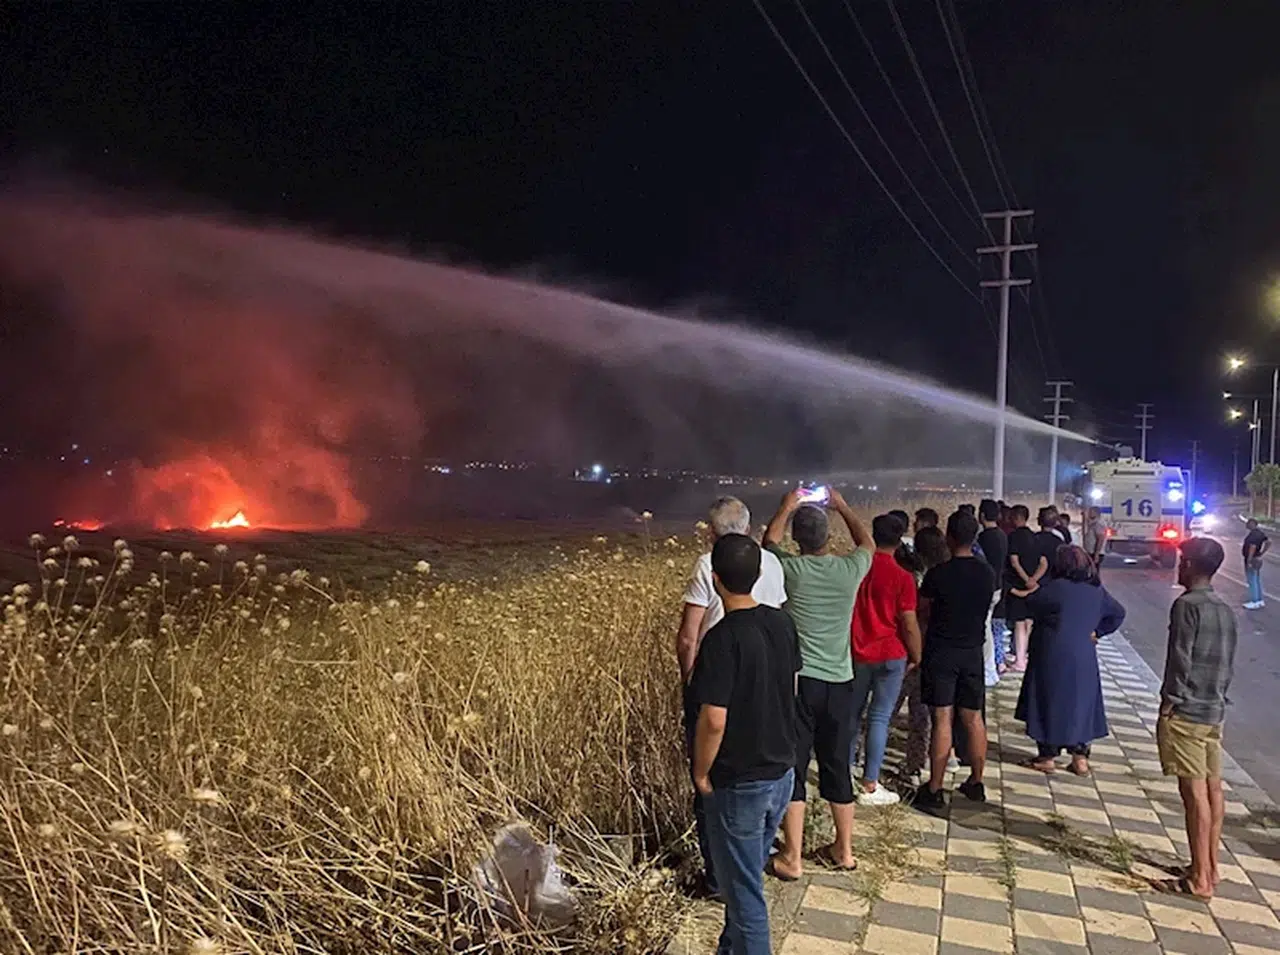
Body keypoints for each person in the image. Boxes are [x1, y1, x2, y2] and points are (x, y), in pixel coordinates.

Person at [689, 533, 799, 952]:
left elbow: (713, 720)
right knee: (744, 879)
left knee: (746, 896)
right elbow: (790, 686)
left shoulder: (721, 639)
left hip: (741, 781)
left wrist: (700, 772)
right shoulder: (782, 623)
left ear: (715, 579)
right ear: (758, 575)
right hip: (781, 773)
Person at [676, 496, 787, 896]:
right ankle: (748, 862)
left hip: (720, 684)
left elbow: (690, 637)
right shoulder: (771, 563)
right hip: (765, 686)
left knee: (712, 782)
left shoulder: (709, 566)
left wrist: (691, 684)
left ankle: (721, 876)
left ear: (711, 532)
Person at [764, 488, 874, 878]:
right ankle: (844, 850)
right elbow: (867, 542)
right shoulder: (850, 570)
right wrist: (842, 505)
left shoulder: (791, 570)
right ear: (828, 538)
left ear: (799, 539)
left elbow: (769, 543)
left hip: (800, 683)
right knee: (837, 764)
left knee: (794, 766)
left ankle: (792, 857)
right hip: (841, 683)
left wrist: (787, 506)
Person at [1156, 536, 1237, 900]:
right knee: (1212, 787)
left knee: (1193, 792)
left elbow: (1180, 659)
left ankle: (1199, 879)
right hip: (1214, 709)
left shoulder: (1186, 605)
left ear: (1188, 564)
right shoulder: (1224, 608)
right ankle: (1210, 866)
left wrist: (1169, 704)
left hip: (1187, 710)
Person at [1015, 546, 1126, 775]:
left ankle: (1047, 755)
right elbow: (1118, 613)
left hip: (1050, 653)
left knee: (1048, 700)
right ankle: (1080, 758)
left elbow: (1030, 604)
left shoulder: (1054, 589)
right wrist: (1098, 632)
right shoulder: (1096, 591)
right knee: (1082, 703)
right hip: (1084, 655)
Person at [915, 510, 995, 812]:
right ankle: (976, 781)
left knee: (942, 718)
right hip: (972, 650)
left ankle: (935, 787)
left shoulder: (939, 573)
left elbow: (922, 608)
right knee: (973, 718)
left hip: (942, 650)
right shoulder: (986, 573)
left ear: (949, 536)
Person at [849, 515, 922, 805]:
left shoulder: (857, 567)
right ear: (901, 537)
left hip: (857, 651)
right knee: (879, 718)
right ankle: (870, 783)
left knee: (852, 715)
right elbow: (908, 622)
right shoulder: (903, 577)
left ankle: (844, 773)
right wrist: (917, 655)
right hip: (891, 653)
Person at [1005, 505, 1047, 671]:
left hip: (1018, 586)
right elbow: (1044, 563)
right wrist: (1034, 580)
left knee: (1019, 623)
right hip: (1035, 588)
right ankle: (1025, 657)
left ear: (1015, 518)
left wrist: (1026, 580)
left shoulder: (1013, 537)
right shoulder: (1035, 537)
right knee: (1029, 622)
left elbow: (1014, 561)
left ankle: (1020, 660)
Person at [977, 499, 1009, 678]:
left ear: (981, 515)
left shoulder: (984, 538)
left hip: (987, 588)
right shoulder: (1002, 535)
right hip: (998, 585)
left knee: (984, 627)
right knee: (987, 625)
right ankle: (989, 668)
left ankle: (988, 670)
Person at [1242, 518, 1269, 610]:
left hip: (1252, 559)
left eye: (1248, 523)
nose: (1246, 525)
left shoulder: (1253, 535)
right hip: (1257, 558)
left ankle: (1254, 601)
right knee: (1256, 579)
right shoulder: (1260, 533)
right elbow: (1269, 542)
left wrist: (1249, 560)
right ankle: (1260, 600)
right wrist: (1262, 553)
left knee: (1251, 580)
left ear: (1252, 524)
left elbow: (1252, 547)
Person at [1081, 507, 1107, 571]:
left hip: (1094, 552)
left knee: (1093, 572)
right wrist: (1084, 517)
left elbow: (1100, 539)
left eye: (1090, 512)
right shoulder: (1093, 523)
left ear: (1096, 513)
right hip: (1091, 552)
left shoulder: (1098, 524)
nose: (1089, 513)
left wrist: (1096, 554)